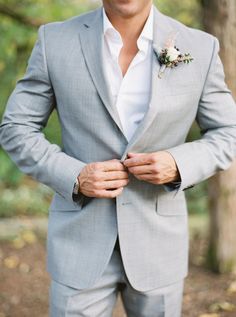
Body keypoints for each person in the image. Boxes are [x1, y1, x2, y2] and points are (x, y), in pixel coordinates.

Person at [1, 0, 236, 316]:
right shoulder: (54, 40)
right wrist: (75, 175)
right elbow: (16, 127)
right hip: (79, 245)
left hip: (159, 247)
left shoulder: (200, 47)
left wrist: (178, 164)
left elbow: (228, 131)